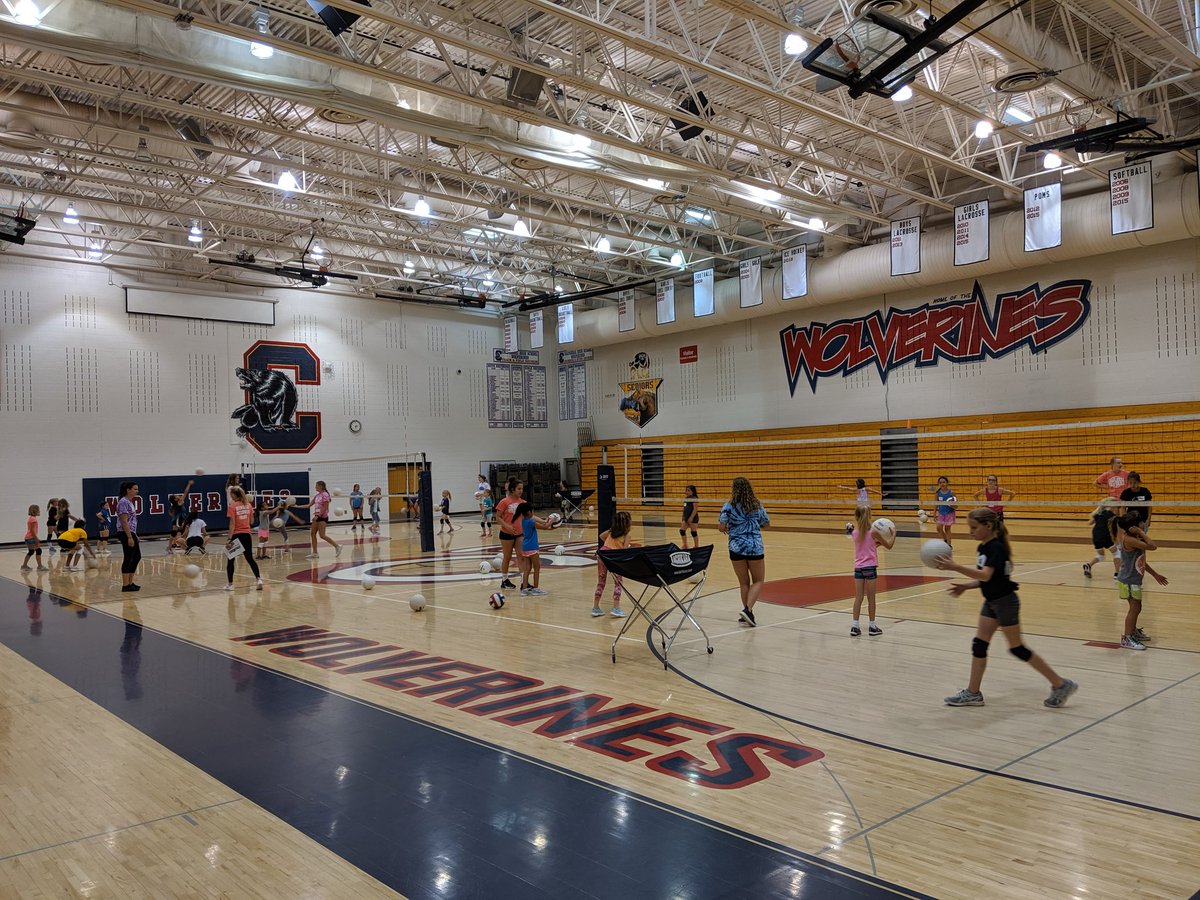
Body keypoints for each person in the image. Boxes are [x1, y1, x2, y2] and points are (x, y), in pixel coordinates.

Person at [937, 508, 1078, 708]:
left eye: (974, 527)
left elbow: (985, 575)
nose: (970, 531)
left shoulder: (996, 548)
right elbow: (987, 579)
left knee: (1017, 649)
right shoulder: (984, 547)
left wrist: (955, 567)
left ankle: (1061, 684)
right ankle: (973, 693)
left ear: (988, 526)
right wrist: (965, 586)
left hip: (1005, 603)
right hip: (992, 602)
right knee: (979, 645)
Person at [1112, 511, 1168, 650]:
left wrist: (1155, 574)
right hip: (1128, 579)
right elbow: (1153, 546)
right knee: (1135, 608)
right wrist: (1142, 533)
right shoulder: (1130, 539)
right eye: (1141, 522)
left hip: (1134, 579)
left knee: (1137, 607)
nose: (1144, 524)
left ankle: (1132, 631)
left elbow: (1141, 561)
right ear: (1134, 527)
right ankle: (1127, 638)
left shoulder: (1135, 538)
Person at [718, 476, 770, 627]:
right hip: (754, 546)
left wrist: (731, 528)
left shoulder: (728, 506)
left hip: (736, 547)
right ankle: (747, 610)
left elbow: (721, 527)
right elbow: (766, 523)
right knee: (758, 580)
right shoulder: (756, 505)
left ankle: (748, 613)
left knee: (744, 583)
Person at [849, 505, 896, 636]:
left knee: (858, 598)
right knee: (871, 598)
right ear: (869, 516)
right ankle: (872, 626)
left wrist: (877, 544)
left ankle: (855, 626)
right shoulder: (874, 533)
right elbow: (889, 546)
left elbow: (869, 545)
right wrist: (893, 535)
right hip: (870, 567)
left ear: (856, 517)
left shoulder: (854, 533)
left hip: (858, 568)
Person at [593, 510, 632, 618]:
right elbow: (624, 551)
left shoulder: (611, 531)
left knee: (601, 582)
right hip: (613, 557)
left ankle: (595, 608)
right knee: (618, 582)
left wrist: (609, 544)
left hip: (602, 555)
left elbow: (601, 536)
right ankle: (616, 608)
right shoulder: (627, 534)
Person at [224, 485, 263, 591]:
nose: (230, 495)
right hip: (246, 534)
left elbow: (232, 524)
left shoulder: (232, 506)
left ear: (234, 494)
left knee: (231, 559)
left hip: (236, 535)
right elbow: (251, 522)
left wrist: (229, 538)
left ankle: (230, 584)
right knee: (250, 558)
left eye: (231, 493)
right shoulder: (249, 505)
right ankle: (258, 579)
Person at [515, 501, 556, 596]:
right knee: (537, 567)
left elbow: (544, 526)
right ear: (529, 512)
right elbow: (545, 527)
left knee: (527, 569)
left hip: (525, 548)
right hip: (532, 547)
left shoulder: (524, 521)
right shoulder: (531, 522)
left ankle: (524, 589)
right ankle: (536, 588)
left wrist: (548, 524)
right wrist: (552, 521)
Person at [297, 480, 340, 559]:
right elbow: (309, 505)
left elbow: (325, 507)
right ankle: (315, 553)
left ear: (321, 486)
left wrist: (318, 516)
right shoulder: (317, 496)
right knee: (313, 534)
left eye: (316, 485)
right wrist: (297, 506)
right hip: (317, 516)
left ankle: (337, 546)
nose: (315, 487)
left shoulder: (325, 495)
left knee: (322, 535)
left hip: (322, 517)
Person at [495, 478, 524, 590]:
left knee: (521, 556)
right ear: (512, 489)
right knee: (507, 557)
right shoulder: (504, 502)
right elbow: (497, 517)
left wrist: (544, 522)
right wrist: (506, 526)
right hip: (506, 534)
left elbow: (529, 516)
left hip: (519, 534)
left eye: (522, 489)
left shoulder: (523, 503)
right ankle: (504, 580)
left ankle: (524, 582)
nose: (521, 491)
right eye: (519, 489)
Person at [1082, 498, 1119, 579]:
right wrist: (1116, 539)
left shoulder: (1099, 513)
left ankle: (1088, 565)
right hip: (1105, 536)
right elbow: (1114, 528)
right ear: (1112, 506)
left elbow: (1090, 523)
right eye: (1116, 506)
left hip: (1096, 536)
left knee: (1101, 556)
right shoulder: (1112, 515)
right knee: (1117, 553)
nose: (1117, 508)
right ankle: (1117, 574)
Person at [116, 481, 142, 593]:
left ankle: (130, 583)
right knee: (129, 557)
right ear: (128, 490)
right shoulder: (123, 502)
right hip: (125, 532)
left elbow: (132, 521)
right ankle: (125, 585)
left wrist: (134, 534)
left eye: (137, 489)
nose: (137, 491)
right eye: (135, 489)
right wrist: (129, 537)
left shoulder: (129, 502)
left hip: (130, 532)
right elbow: (124, 521)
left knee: (136, 556)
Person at [21, 504, 48, 572]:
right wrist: (36, 539)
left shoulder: (31, 518)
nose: (39, 511)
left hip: (28, 538)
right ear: (35, 511)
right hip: (31, 538)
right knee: (38, 550)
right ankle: (40, 566)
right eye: (38, 510)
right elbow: (32, 531)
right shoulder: (33, 520)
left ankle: (24, 566)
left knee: (31, 551)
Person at [932, 476, 957, 546]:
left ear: (947, 483)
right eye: (940, 482)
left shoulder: (951, 493)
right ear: (938, 484)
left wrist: (953, 505)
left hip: (949, 513)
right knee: (938, 528)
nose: (942, 484)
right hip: (941, 514)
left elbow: (956, 505)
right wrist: (934, 514)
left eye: (944, 482)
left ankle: (949, 545)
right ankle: (945, 539)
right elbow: (936, 504)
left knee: (947, 529)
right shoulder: (937, 493)